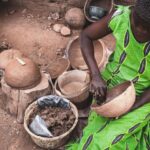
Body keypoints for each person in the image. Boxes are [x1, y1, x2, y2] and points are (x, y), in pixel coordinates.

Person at [67, 0, 150, 149]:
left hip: (143, 96)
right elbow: (86, 36)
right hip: (111, 85)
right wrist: (96, 76)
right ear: (133, 12)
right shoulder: (121, 16)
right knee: (94, 136)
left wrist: (131, 107)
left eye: (146, 29)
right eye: (135, 22)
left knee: (111, 142)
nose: (138, 29)